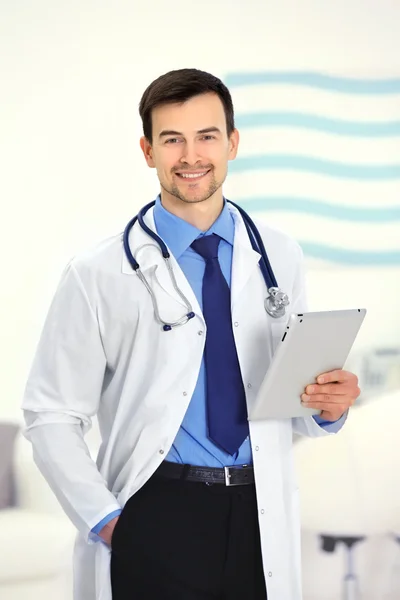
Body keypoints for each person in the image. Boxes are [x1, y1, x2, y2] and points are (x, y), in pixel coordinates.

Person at [21, 68, 360, 600]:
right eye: (171, 139)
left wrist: (327, 408)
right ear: (147, 150)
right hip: (157, 511)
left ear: (232, 143)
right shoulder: (99, 272)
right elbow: (50, 413)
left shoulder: (279, 255)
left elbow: (289, 398)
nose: (191, 155)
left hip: (257, 508)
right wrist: (107, 520)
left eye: (206, 136)